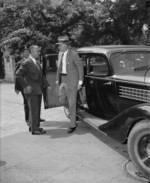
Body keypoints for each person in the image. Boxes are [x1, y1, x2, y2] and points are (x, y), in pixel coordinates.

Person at [16, 45, 51, 135]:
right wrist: (25, 86)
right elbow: (18, 74)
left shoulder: (37, 62)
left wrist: (48, 85)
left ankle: (33, 126)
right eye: (37, 51)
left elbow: (41, 76)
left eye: (39, 51)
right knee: (34, 110)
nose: (39, 53)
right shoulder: (27, 62)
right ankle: (35, 130)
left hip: (38, 90)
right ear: (32, 52)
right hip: (31, 91)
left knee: (35, 110)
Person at [56, 35, 83, 134]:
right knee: (61, 100)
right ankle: (74, 111)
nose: (59, 47)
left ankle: (72, 125)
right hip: (62, 80)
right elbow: (58, 69)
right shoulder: (60, 54)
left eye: (60, 45)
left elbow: (80, 68)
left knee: (71, 103)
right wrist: (56, 80)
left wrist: (80, 82)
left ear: (66, 45)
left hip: (72, 81)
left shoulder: (74, 54)